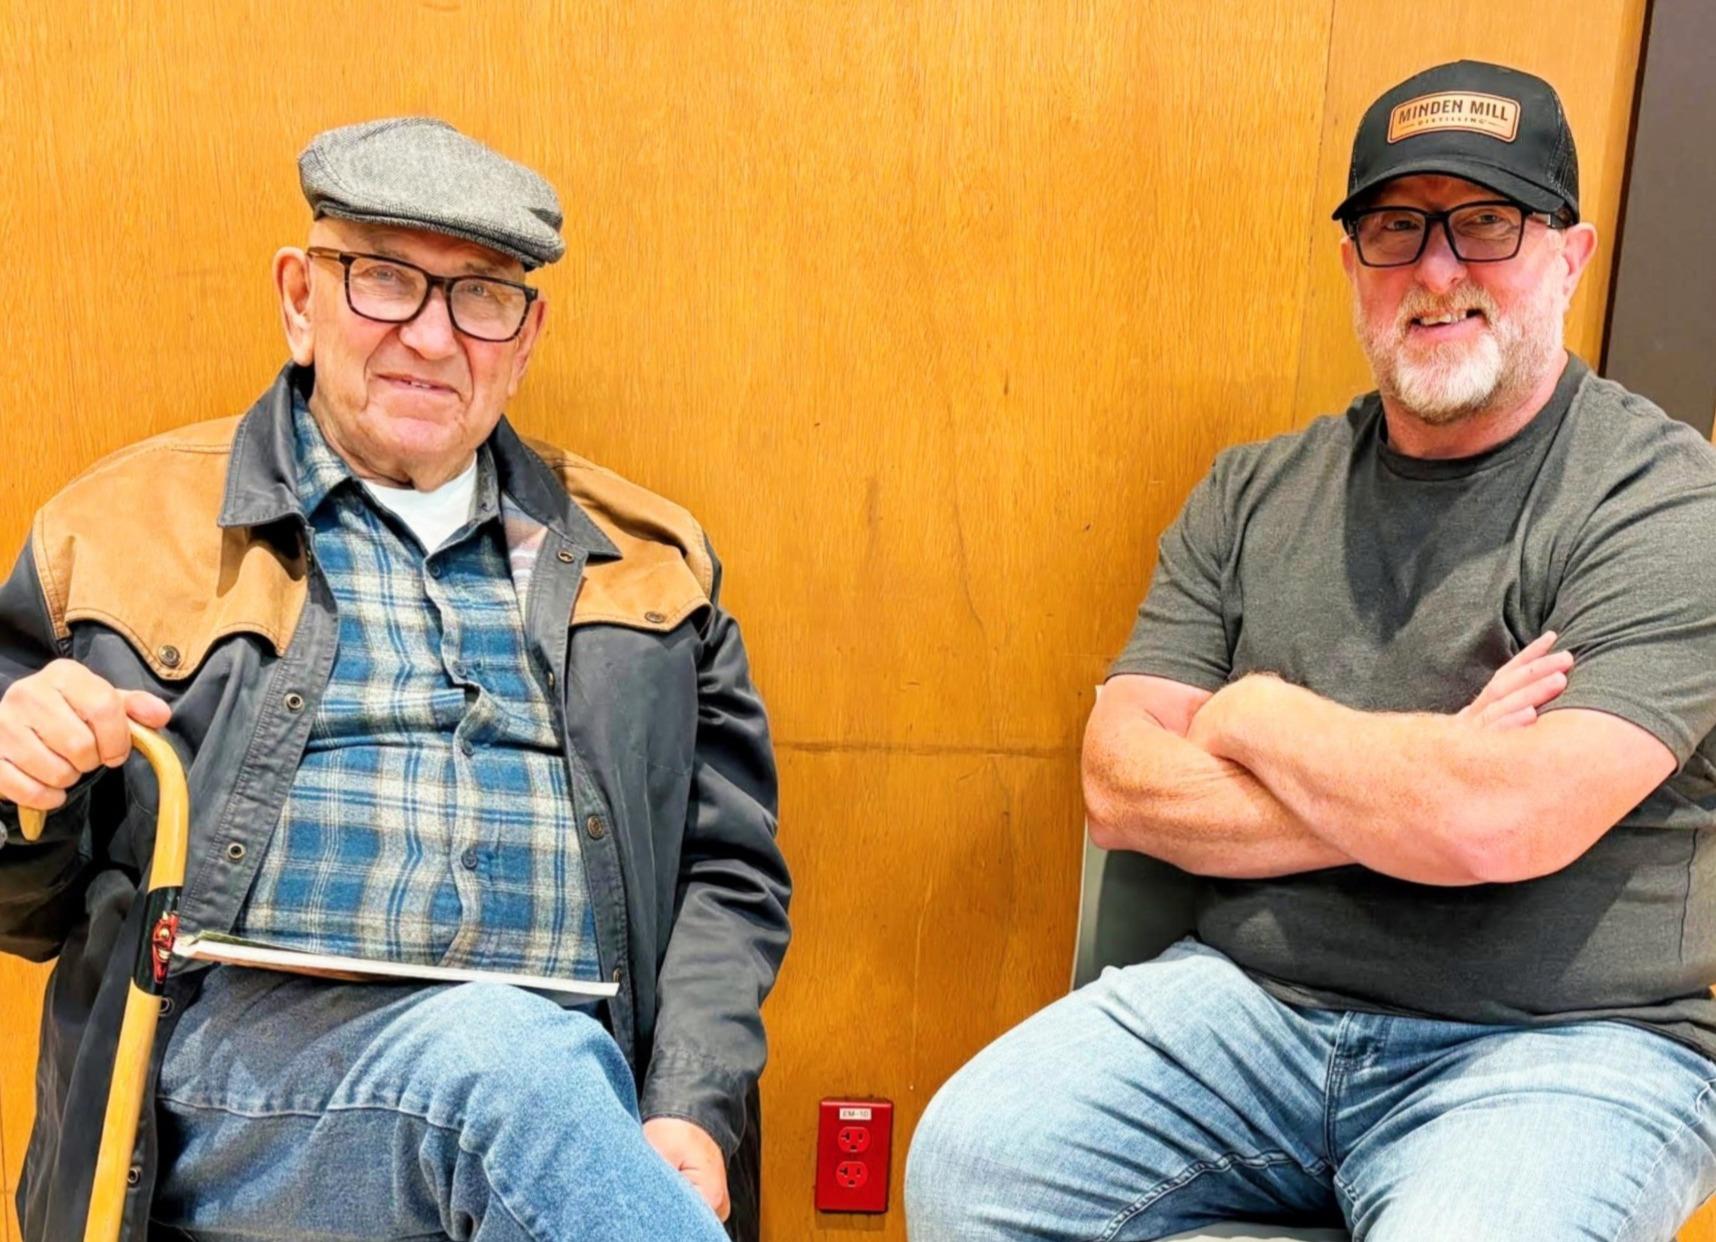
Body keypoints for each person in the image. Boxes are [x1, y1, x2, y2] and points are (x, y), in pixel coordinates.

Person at [906, 60, 1716, 1241]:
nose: (1436, 271)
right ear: (1352, 263)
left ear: (1570, 256)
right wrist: (1436, 783)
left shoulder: (1665, 502)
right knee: (975, 1161)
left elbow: (1503, 825)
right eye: (1396, 228)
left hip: (1562, 1048)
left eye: (1487, 223)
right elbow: (1121, 787)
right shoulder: (1252, 493)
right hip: (1253, 1008)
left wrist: (1259, 716)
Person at [0, 117, 789, 1242]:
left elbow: (730, 873)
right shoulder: (118, 531)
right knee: (508, 1066)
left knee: (529, 1076)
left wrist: (691, 1108)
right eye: (383, 279)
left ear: (526, 337)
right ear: (300, 297)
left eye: (481, 296)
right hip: (246, 1090)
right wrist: (20, 779)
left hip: (573, 1079)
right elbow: (25, 909)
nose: (430, 336)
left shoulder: (654, 561)